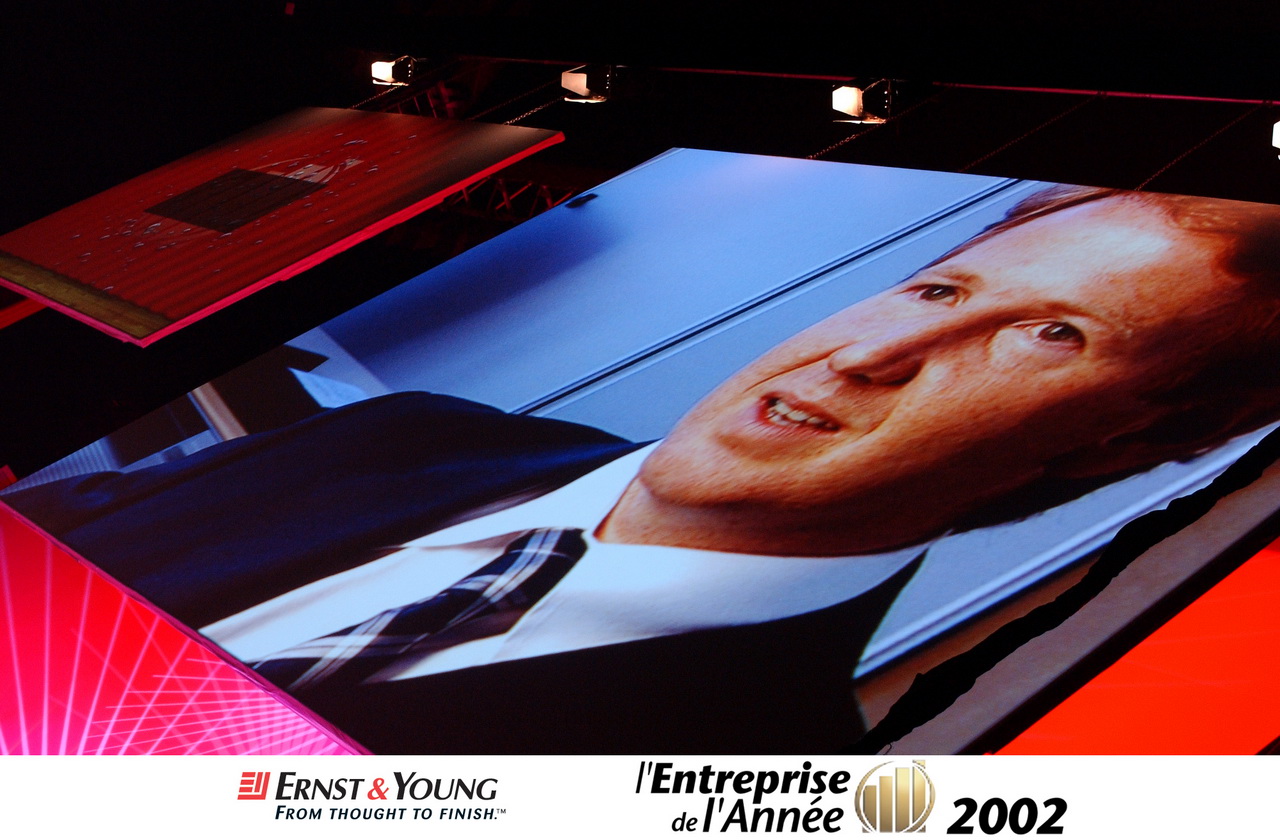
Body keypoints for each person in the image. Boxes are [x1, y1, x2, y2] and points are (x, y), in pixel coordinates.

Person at [7, 183, 1280, 753]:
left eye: (1048, 334)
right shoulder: (415, 433)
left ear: (1127, 440)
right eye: (938, 289)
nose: (874, 352)